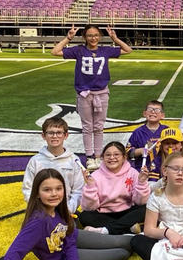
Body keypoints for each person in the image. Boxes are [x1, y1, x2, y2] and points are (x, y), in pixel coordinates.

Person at [51, 24, 132, 169]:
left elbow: (128, 50)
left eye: (95, 35)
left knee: (99, 127)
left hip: (101, 93)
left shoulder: (105, 50)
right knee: (87, 127)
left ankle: (98, 156)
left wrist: (115, 38)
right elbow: (55, 52)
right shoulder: (79, 50)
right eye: (89, 35)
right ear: (84, 37)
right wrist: (68, 38)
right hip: (84, 94)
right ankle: (89, 156)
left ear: (100, 36)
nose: (93, 38)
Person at [0, 169, 81, 260]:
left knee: (121, 242)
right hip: (60, 259)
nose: (54, 194)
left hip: (71, 243)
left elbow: (70, 243)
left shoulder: (59, 210)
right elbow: (16, 251)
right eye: (47, 190)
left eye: (58, 189)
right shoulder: (38, 222)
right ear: (37, 193)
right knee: (120, 254)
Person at [79, 141, 151, 233]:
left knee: (146, 208)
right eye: (108, 155)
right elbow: (90, 207)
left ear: (124, 157)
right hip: (104, 214)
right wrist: (90, 186)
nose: (112, 158)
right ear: (103, 158)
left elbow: (140, 202)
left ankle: (105, 230)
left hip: (127, 212)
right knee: (85, 216)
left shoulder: (133, 173)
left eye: (116, 154)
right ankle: (128, 229)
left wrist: (141, 182)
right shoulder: (95, 176)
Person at [23, 117, 85, 214]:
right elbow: (28, 189)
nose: (55, 136)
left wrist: (68, 210)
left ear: (66, 135)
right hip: (41, 211)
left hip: (66, 210)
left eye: (59, 132)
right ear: (43, 135)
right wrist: (41, 209)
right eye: (50, 133)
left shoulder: (74, 160)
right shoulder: (35, 161)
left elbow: (78, 190)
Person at [127, 100, 168, 170]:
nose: (153, 112)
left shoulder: (167, 131)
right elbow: (128, 152)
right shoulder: (138, 132)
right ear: (144, 113)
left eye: (157, 110)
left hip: (162, 171)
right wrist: (140, 151)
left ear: (162, 115)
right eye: (150, 109)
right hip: (142, 170)